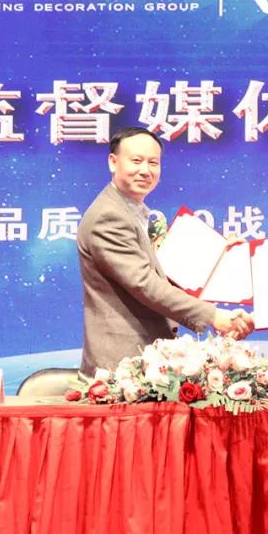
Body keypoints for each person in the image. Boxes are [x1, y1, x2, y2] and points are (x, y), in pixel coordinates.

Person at [77, 127, 254, 377]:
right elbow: (144, 283)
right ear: (113, 162)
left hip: (144, 359)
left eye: (153, 163)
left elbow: (160, 273)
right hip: (120, 365)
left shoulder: (133, 212)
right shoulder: (108, 216)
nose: (145, 170)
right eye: (136, 160)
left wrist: (220, 257)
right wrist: (213, 316)